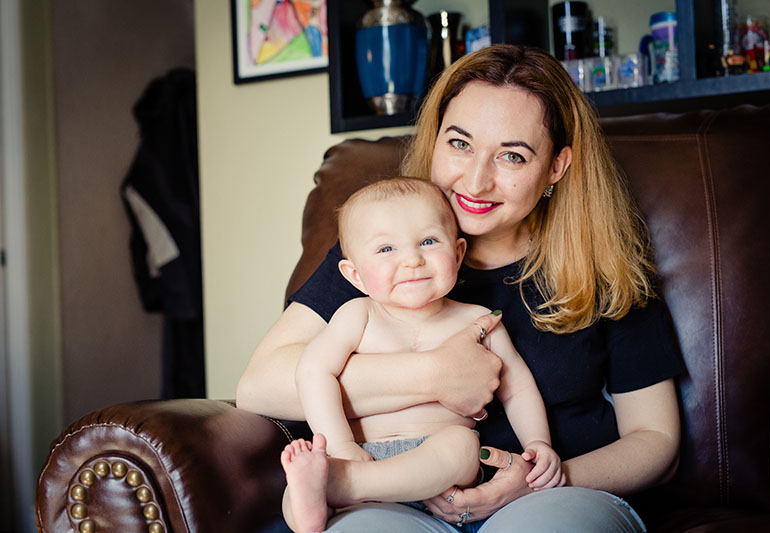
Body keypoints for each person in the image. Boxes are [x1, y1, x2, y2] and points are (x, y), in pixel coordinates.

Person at [238, 44, 683, 532]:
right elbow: (259, 387)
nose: (475, 180)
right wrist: (433, 375)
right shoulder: (382, 254)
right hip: (387, 493)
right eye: (460, 143)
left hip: (555, 497)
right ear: (434, 140)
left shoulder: (605, 268)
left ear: (556, 166)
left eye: (512, 156)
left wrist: (544, 478)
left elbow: (656, 440)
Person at [280, 177, 563, 532]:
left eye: (428, 241)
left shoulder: (478, 320)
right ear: (354, 275)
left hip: (439, 469)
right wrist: (341, 446)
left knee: (462, 446)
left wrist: (538, 444)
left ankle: (345, 487)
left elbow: (518, 387)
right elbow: (312, 372)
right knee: (297, 483)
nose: (412, 260)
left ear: (458, 253)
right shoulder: (358, 315)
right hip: (361, 452)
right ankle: (311, 510)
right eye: (386, 249)